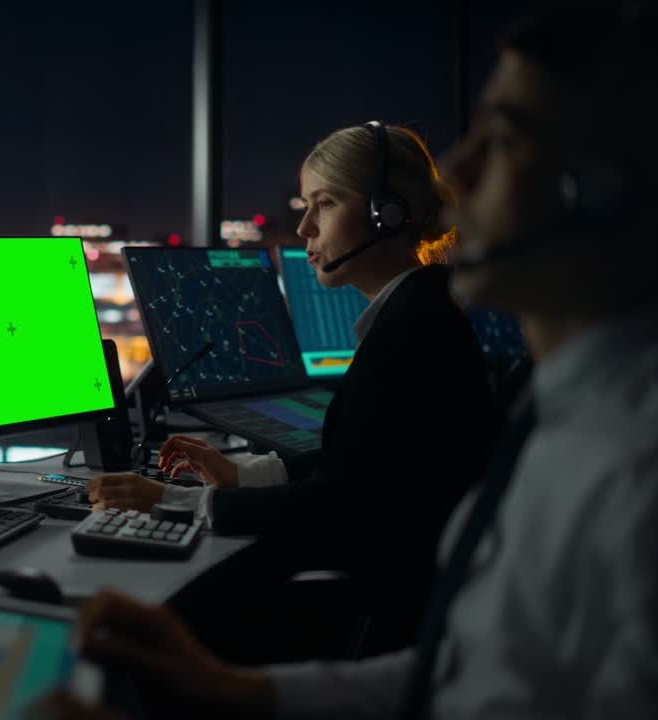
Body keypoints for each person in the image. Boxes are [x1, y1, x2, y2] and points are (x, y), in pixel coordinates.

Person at [36, 5, 658, 718]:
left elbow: (353, 510)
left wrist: (187, 505)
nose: (455, 171)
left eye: (505, 141)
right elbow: (472, 673)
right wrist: (234, 692)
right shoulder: (572, 418)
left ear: (606, 194)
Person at [90, 123, 495, 650]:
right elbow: (367, 467)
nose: (303, 227)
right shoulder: (420, 313)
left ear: (388, 212)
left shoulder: (414, 334)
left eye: (323, 205)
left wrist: (175, 502)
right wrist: (244, 473)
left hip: (383, 622)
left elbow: (338, 511)